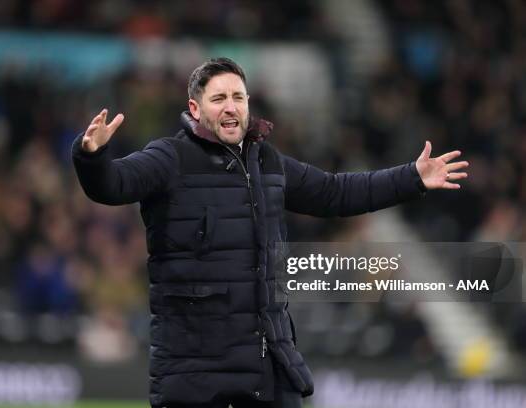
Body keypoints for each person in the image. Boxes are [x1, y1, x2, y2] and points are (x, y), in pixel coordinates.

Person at [72, 57, 468, 408]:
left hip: (269, 372)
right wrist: (91, 156)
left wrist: (411, 177)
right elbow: (112, 185)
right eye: (219, 98)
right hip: (195, 376)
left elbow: (336, 192)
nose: (231, 107)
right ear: (194, 108)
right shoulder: (168, 158)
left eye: (238, 97)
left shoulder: (268, 161)